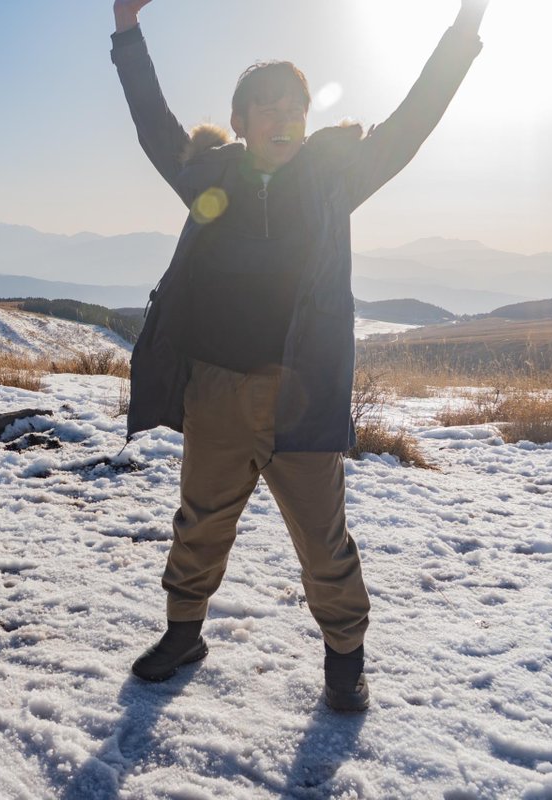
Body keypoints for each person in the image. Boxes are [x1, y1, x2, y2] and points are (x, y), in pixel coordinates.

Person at [112, 0, 487, 711]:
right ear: (244, 119)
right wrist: (127, 31)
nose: (285, 117)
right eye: (269, 105)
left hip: (300, 396)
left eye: (296, 106)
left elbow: (413, 122)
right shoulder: (207, 176)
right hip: (217, 391)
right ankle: (183, 632)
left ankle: (346, 661)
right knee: (199, 525)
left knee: (324, 543)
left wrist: (464, 28)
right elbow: (152, 126)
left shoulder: (333, 179)